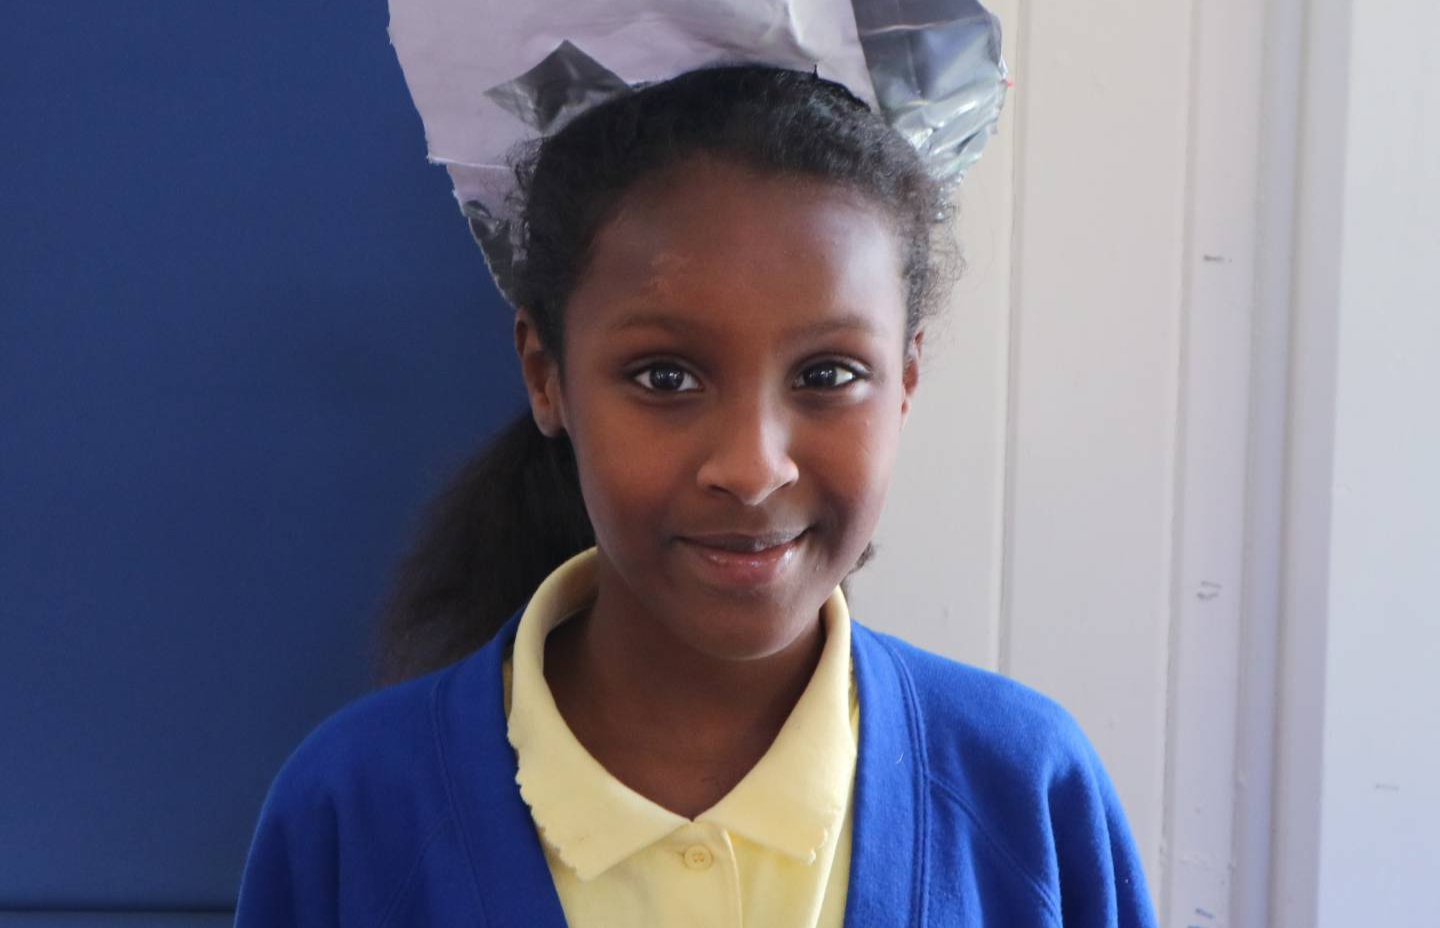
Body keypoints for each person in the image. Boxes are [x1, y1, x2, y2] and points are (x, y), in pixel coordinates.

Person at [234, 64, 1158, 925]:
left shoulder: (1028, 794)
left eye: (829, 375)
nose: (753, 469)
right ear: (547, 376)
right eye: (666, 377)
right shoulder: (353, 812)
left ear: (907, 379)